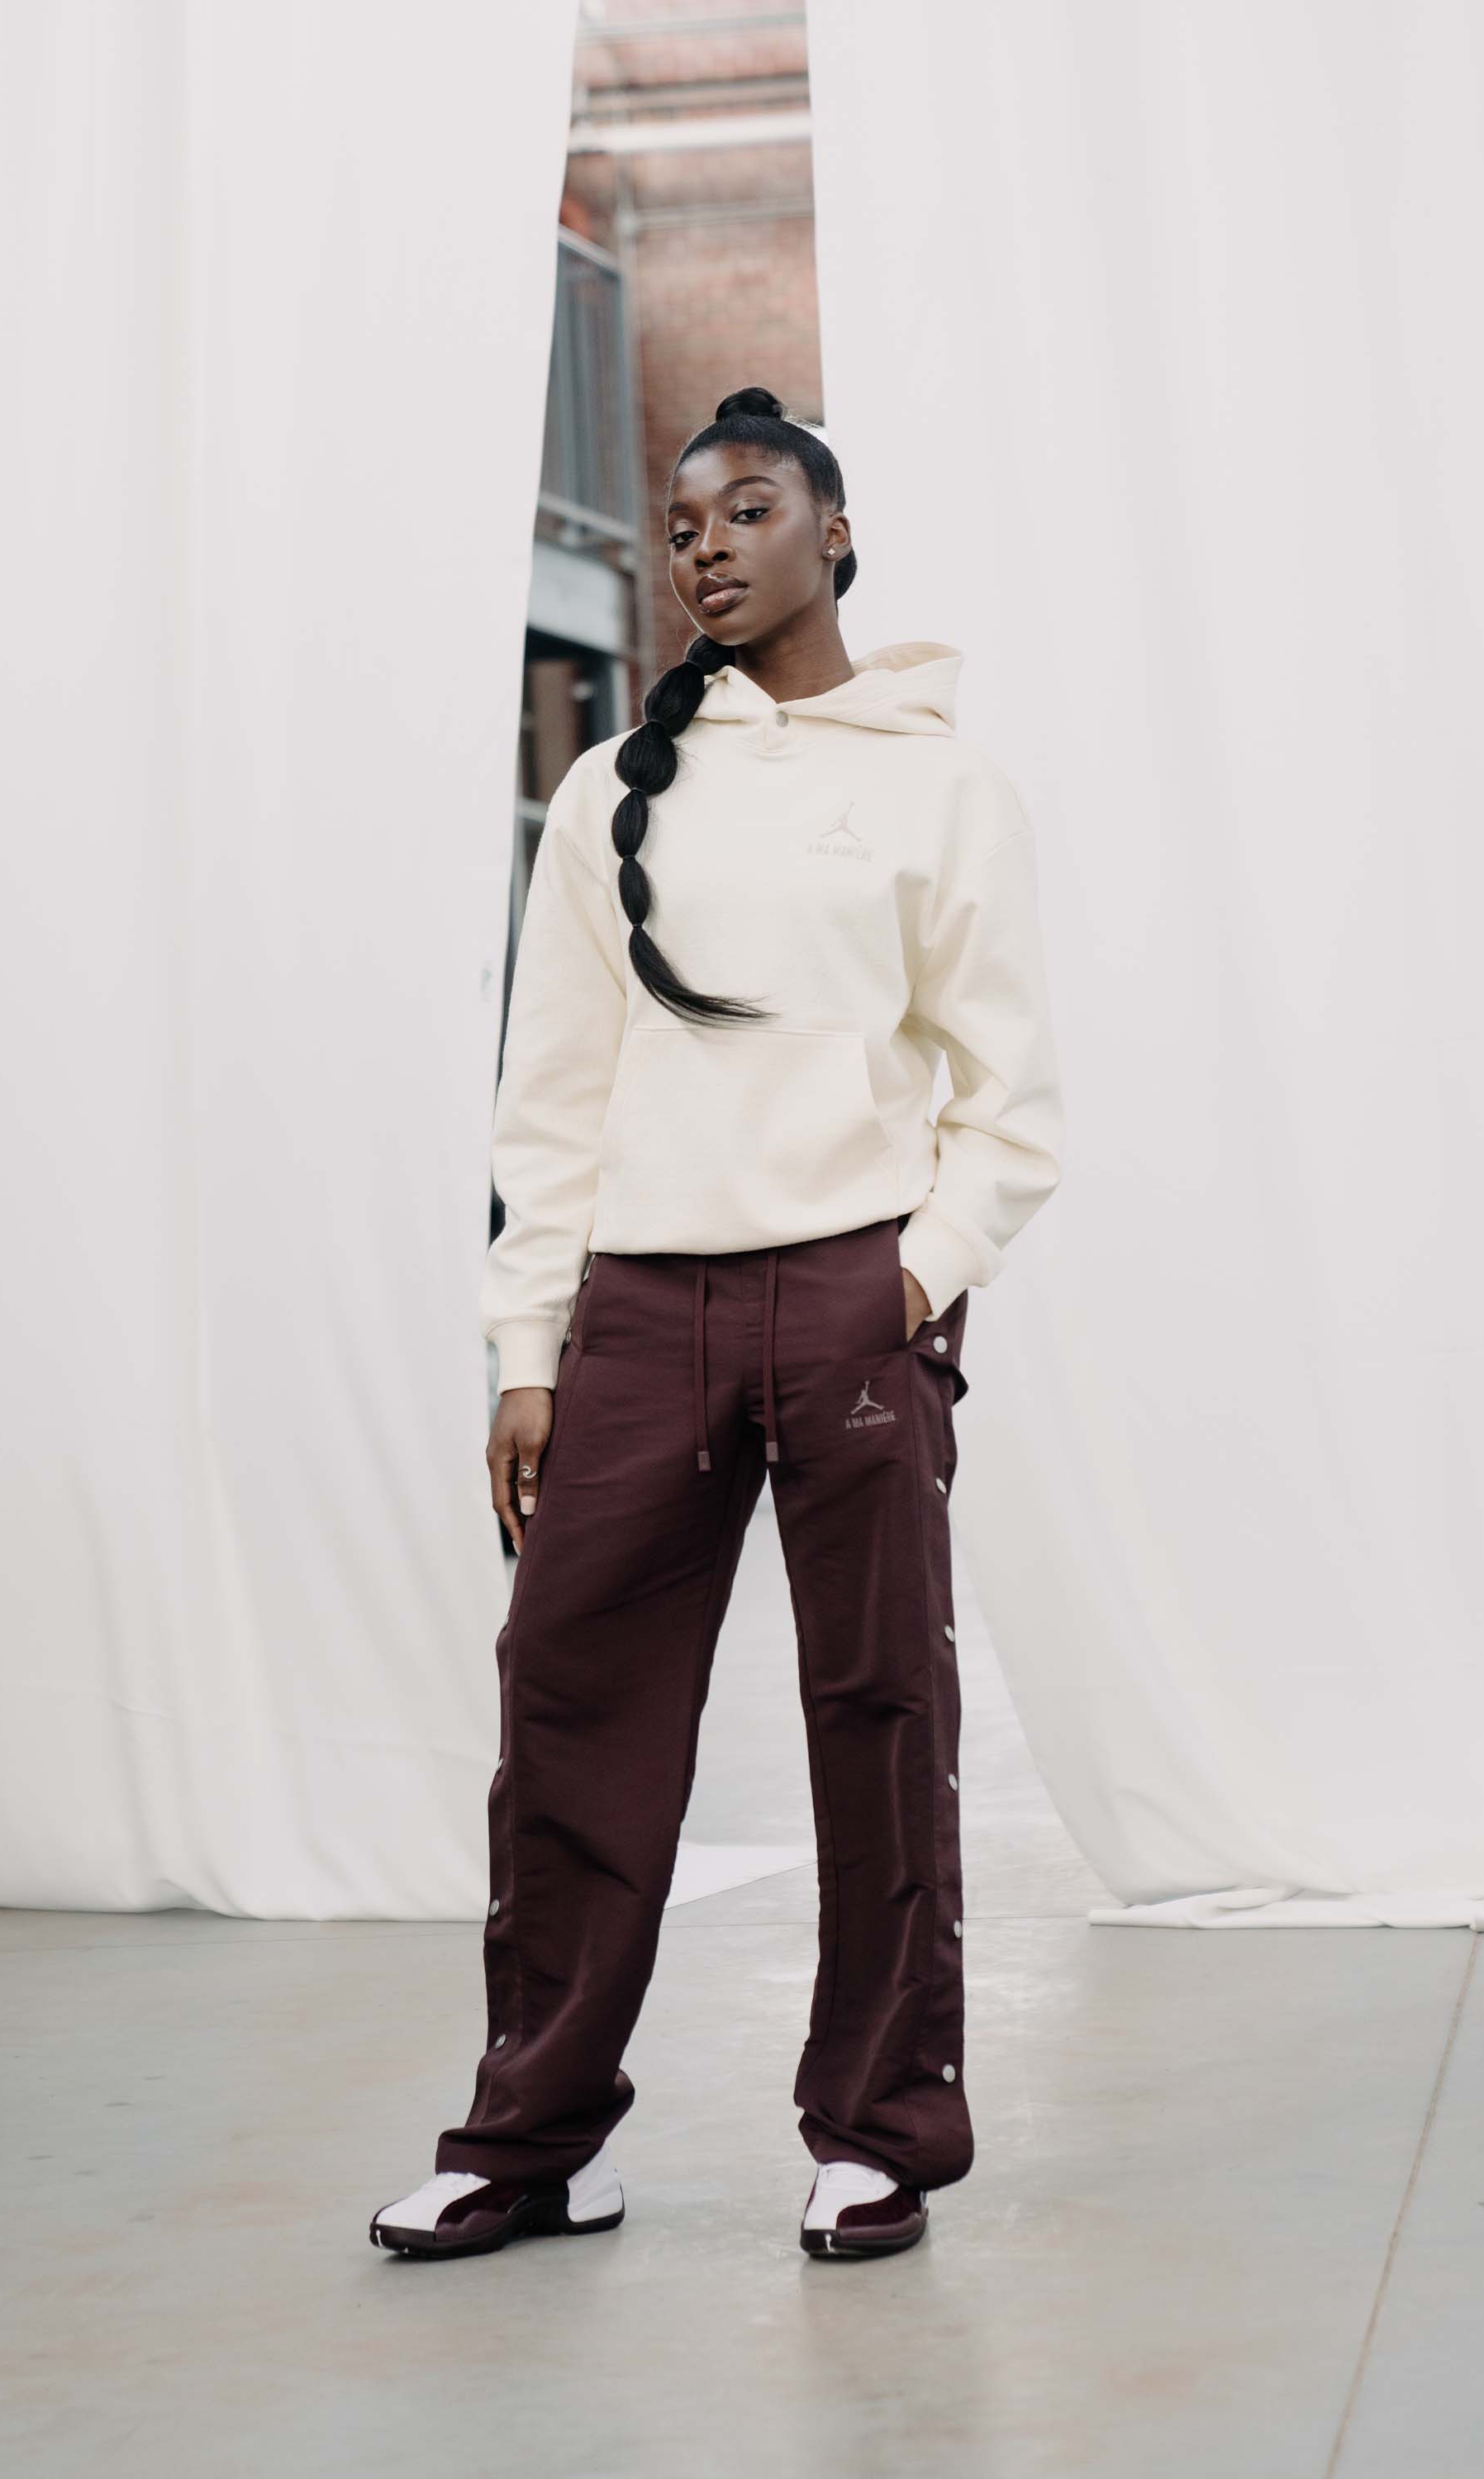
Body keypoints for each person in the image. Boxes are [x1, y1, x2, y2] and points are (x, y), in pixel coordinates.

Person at [370, 385, 1063, 2264]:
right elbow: (551, 1094)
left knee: (879, 1710)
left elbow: (1011, 1095)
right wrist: (529, 1350)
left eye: (748, 510)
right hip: (637, 1308)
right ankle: (533, 2144)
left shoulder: (943, 787)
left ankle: (879, 2133)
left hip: (849, 1298)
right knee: (569, 1707)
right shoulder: (614, 789)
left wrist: (909, 1278)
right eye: (682, 525)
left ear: (835, 534)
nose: (706, 548)